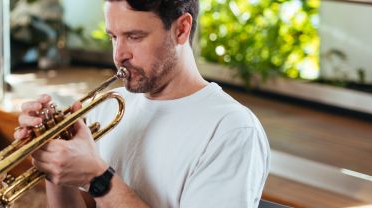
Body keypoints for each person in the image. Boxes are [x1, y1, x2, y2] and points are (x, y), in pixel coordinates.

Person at [14, 0, 270, 207]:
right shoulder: (108, 106)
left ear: (181, 29)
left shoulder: (232, 130)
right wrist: (54, 162)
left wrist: (99, 179)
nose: (119, 55)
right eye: (113, 37)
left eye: (134, 36)